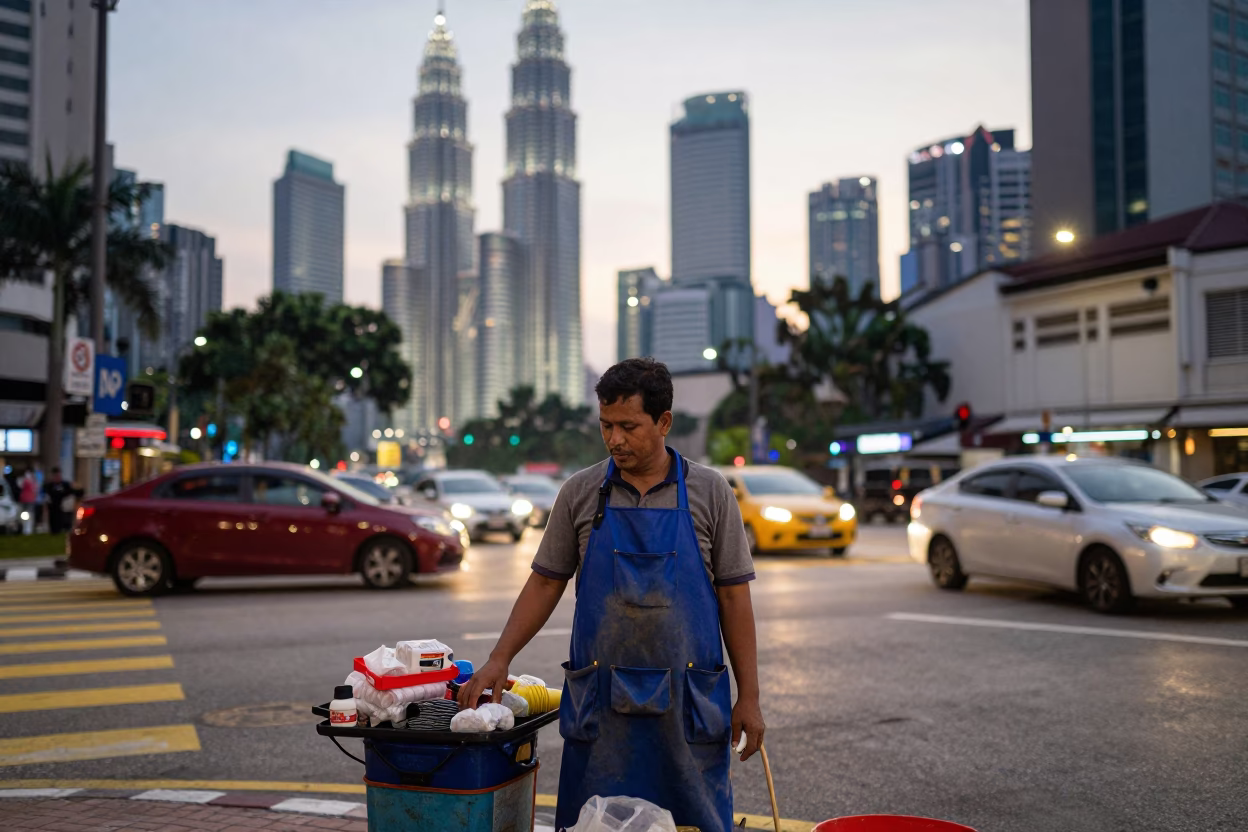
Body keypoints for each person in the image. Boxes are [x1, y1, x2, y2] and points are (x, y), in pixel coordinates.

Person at [458, 358, 764, 832]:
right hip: (602, 706)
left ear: (664, 422)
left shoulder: (711, 492)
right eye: (605, 425)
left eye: (628, 426)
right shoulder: (579, 493)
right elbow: (544, 582)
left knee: (695, 819)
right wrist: (500, 658)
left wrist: (750, 697)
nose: (615, 439)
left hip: (688, 704)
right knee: (594, 820)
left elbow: (734, 600)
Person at [42, 467, 82, 535]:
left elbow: (74, 492)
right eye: (55, 476)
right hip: (53, 508)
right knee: (54, 523)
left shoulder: (65, 484)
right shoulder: (49, 486)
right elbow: (46, 495)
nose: (57, 478)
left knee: (65, 522)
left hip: (64, 508)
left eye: (58, 476)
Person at [18, 468, 38, 535]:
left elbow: (35, 489)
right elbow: (20, 486)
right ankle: (25, 528)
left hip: (30, 500)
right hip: (24, 499)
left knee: (30, 514)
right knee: (24, 515)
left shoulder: (33, 481)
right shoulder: (23, 480)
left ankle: (29, 529)